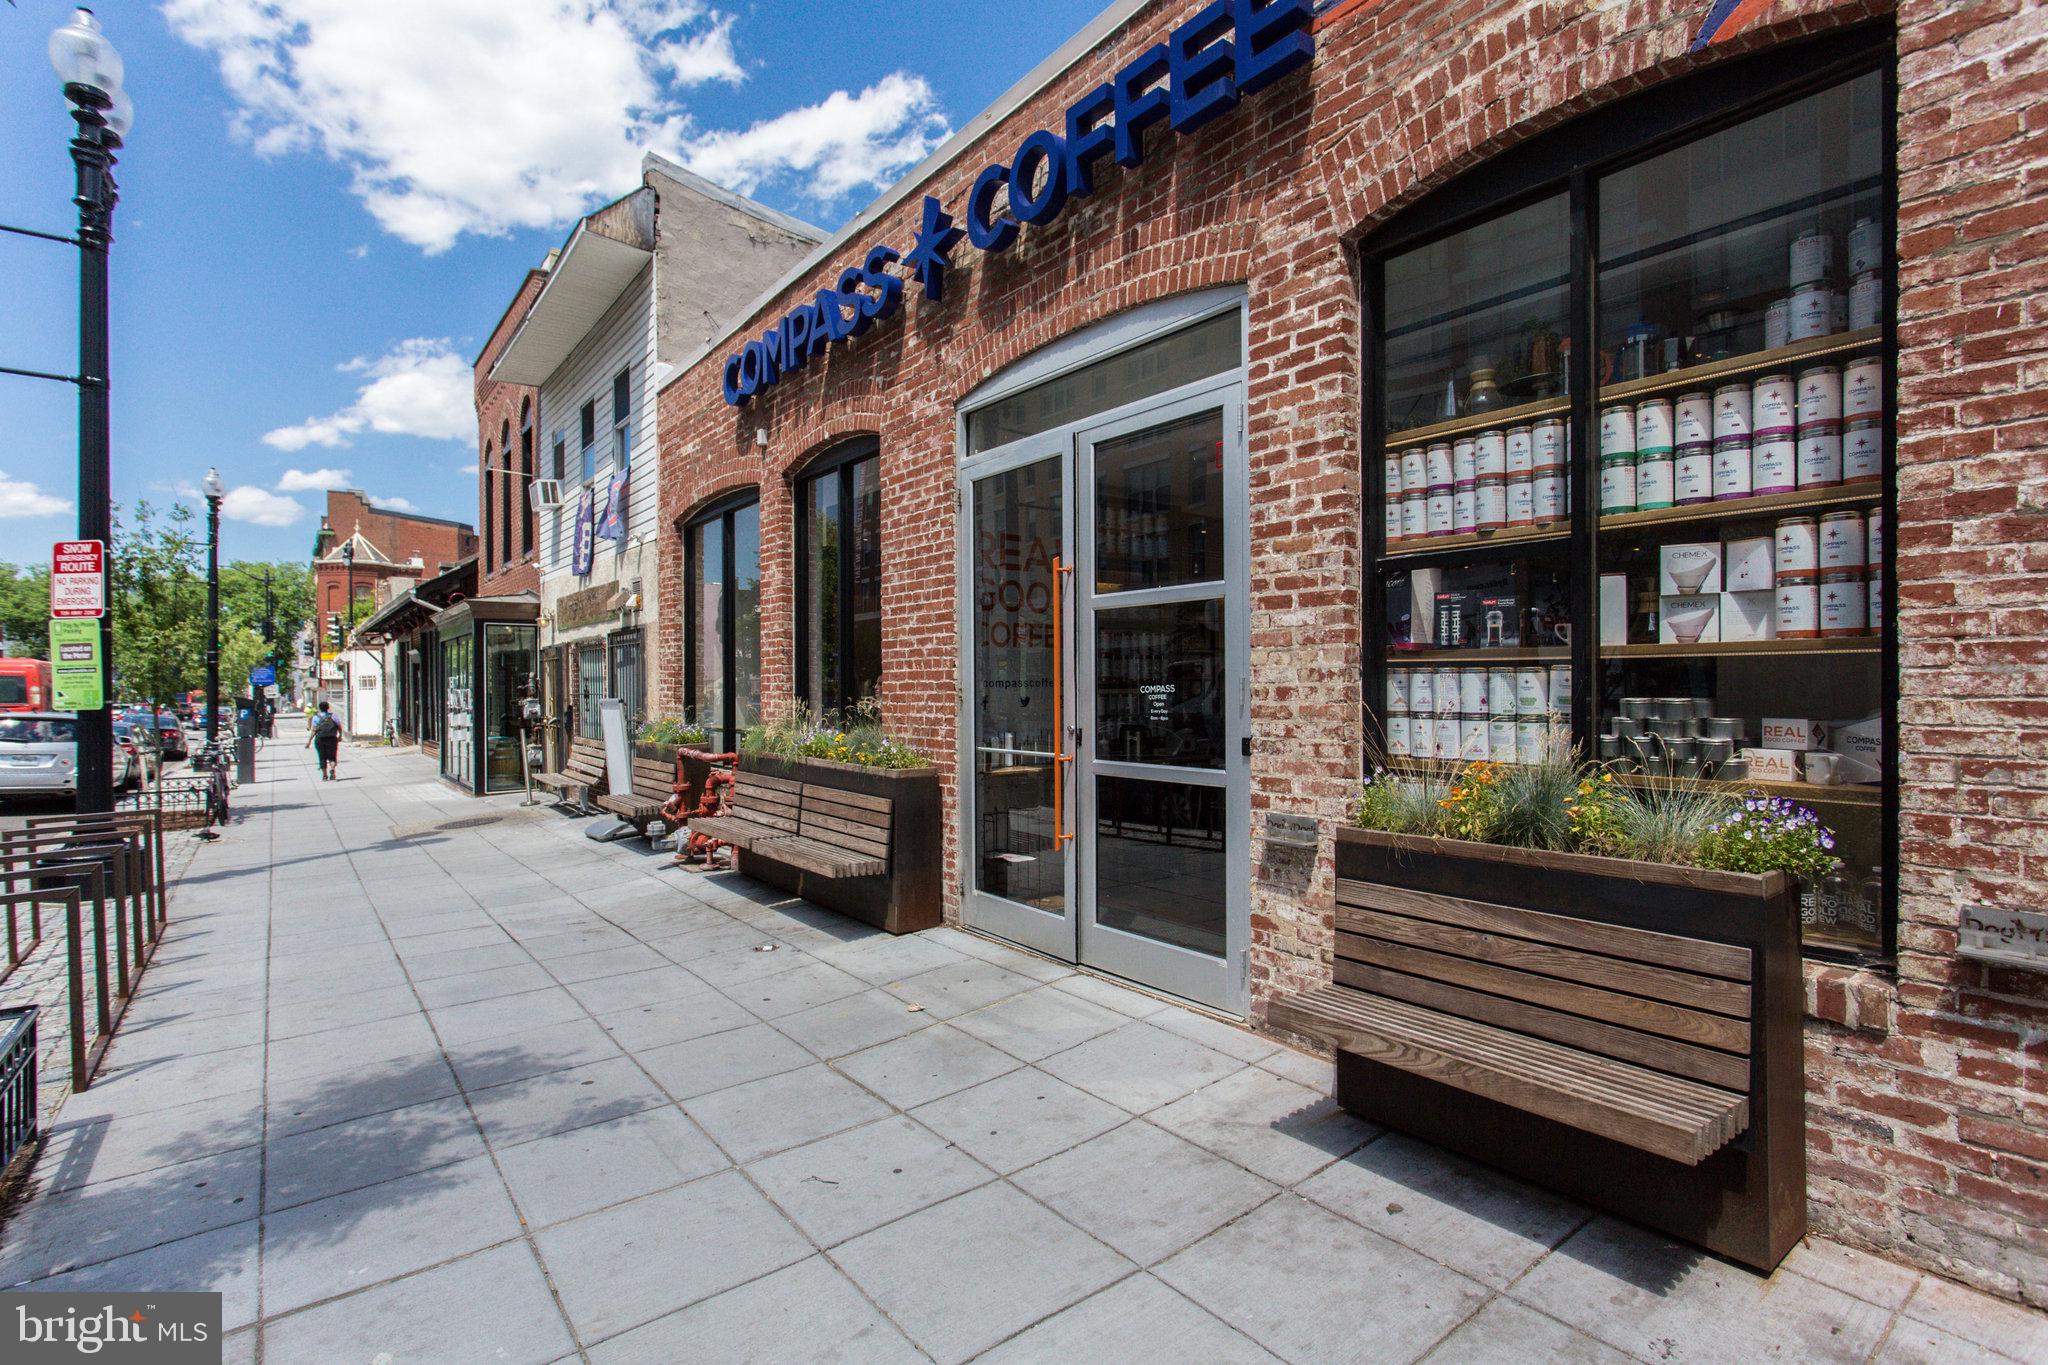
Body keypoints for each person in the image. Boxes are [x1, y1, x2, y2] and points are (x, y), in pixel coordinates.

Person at [307, 701, 342, 780]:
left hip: (320, 739)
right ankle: (332, 769)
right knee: (332, 756)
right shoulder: (333, 716)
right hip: (332, 738)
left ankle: (324, 775)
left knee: (322, 757)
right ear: (328, 707)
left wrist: (309, 742)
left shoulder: (316, 717)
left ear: (319, 708)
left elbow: (313, 730)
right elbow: (339, 727)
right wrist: (340, 736)